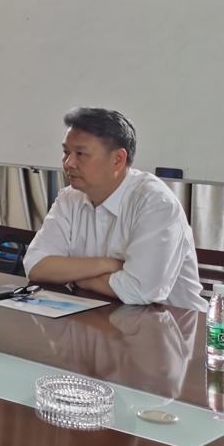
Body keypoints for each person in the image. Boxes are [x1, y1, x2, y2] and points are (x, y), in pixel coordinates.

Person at [25, 107, 206, 311]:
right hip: (101, 315)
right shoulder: (70, 197)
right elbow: (35, 265)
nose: (69, 163)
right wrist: (107, 265)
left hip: (173, 322)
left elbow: (138, 290)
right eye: (66, 152)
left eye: (81, 154)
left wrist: (75, 278)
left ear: (118, 159)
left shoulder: (156, 204)